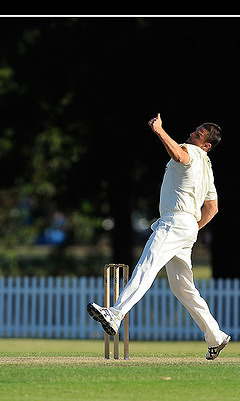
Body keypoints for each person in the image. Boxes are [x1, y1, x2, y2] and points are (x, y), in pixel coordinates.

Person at [87, 113, 230, 360]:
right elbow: (212, 208)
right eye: (195, 130)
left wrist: (159, 131)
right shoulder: (208, 169)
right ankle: (215, 336)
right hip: (187, 227)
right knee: (184, 288)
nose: (193, 134)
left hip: (174, 221)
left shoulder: (191, 151)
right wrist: (194, 228)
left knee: (146, 268)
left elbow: (179, 155)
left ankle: (116, 314)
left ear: (206, 145)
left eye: (199, 134)